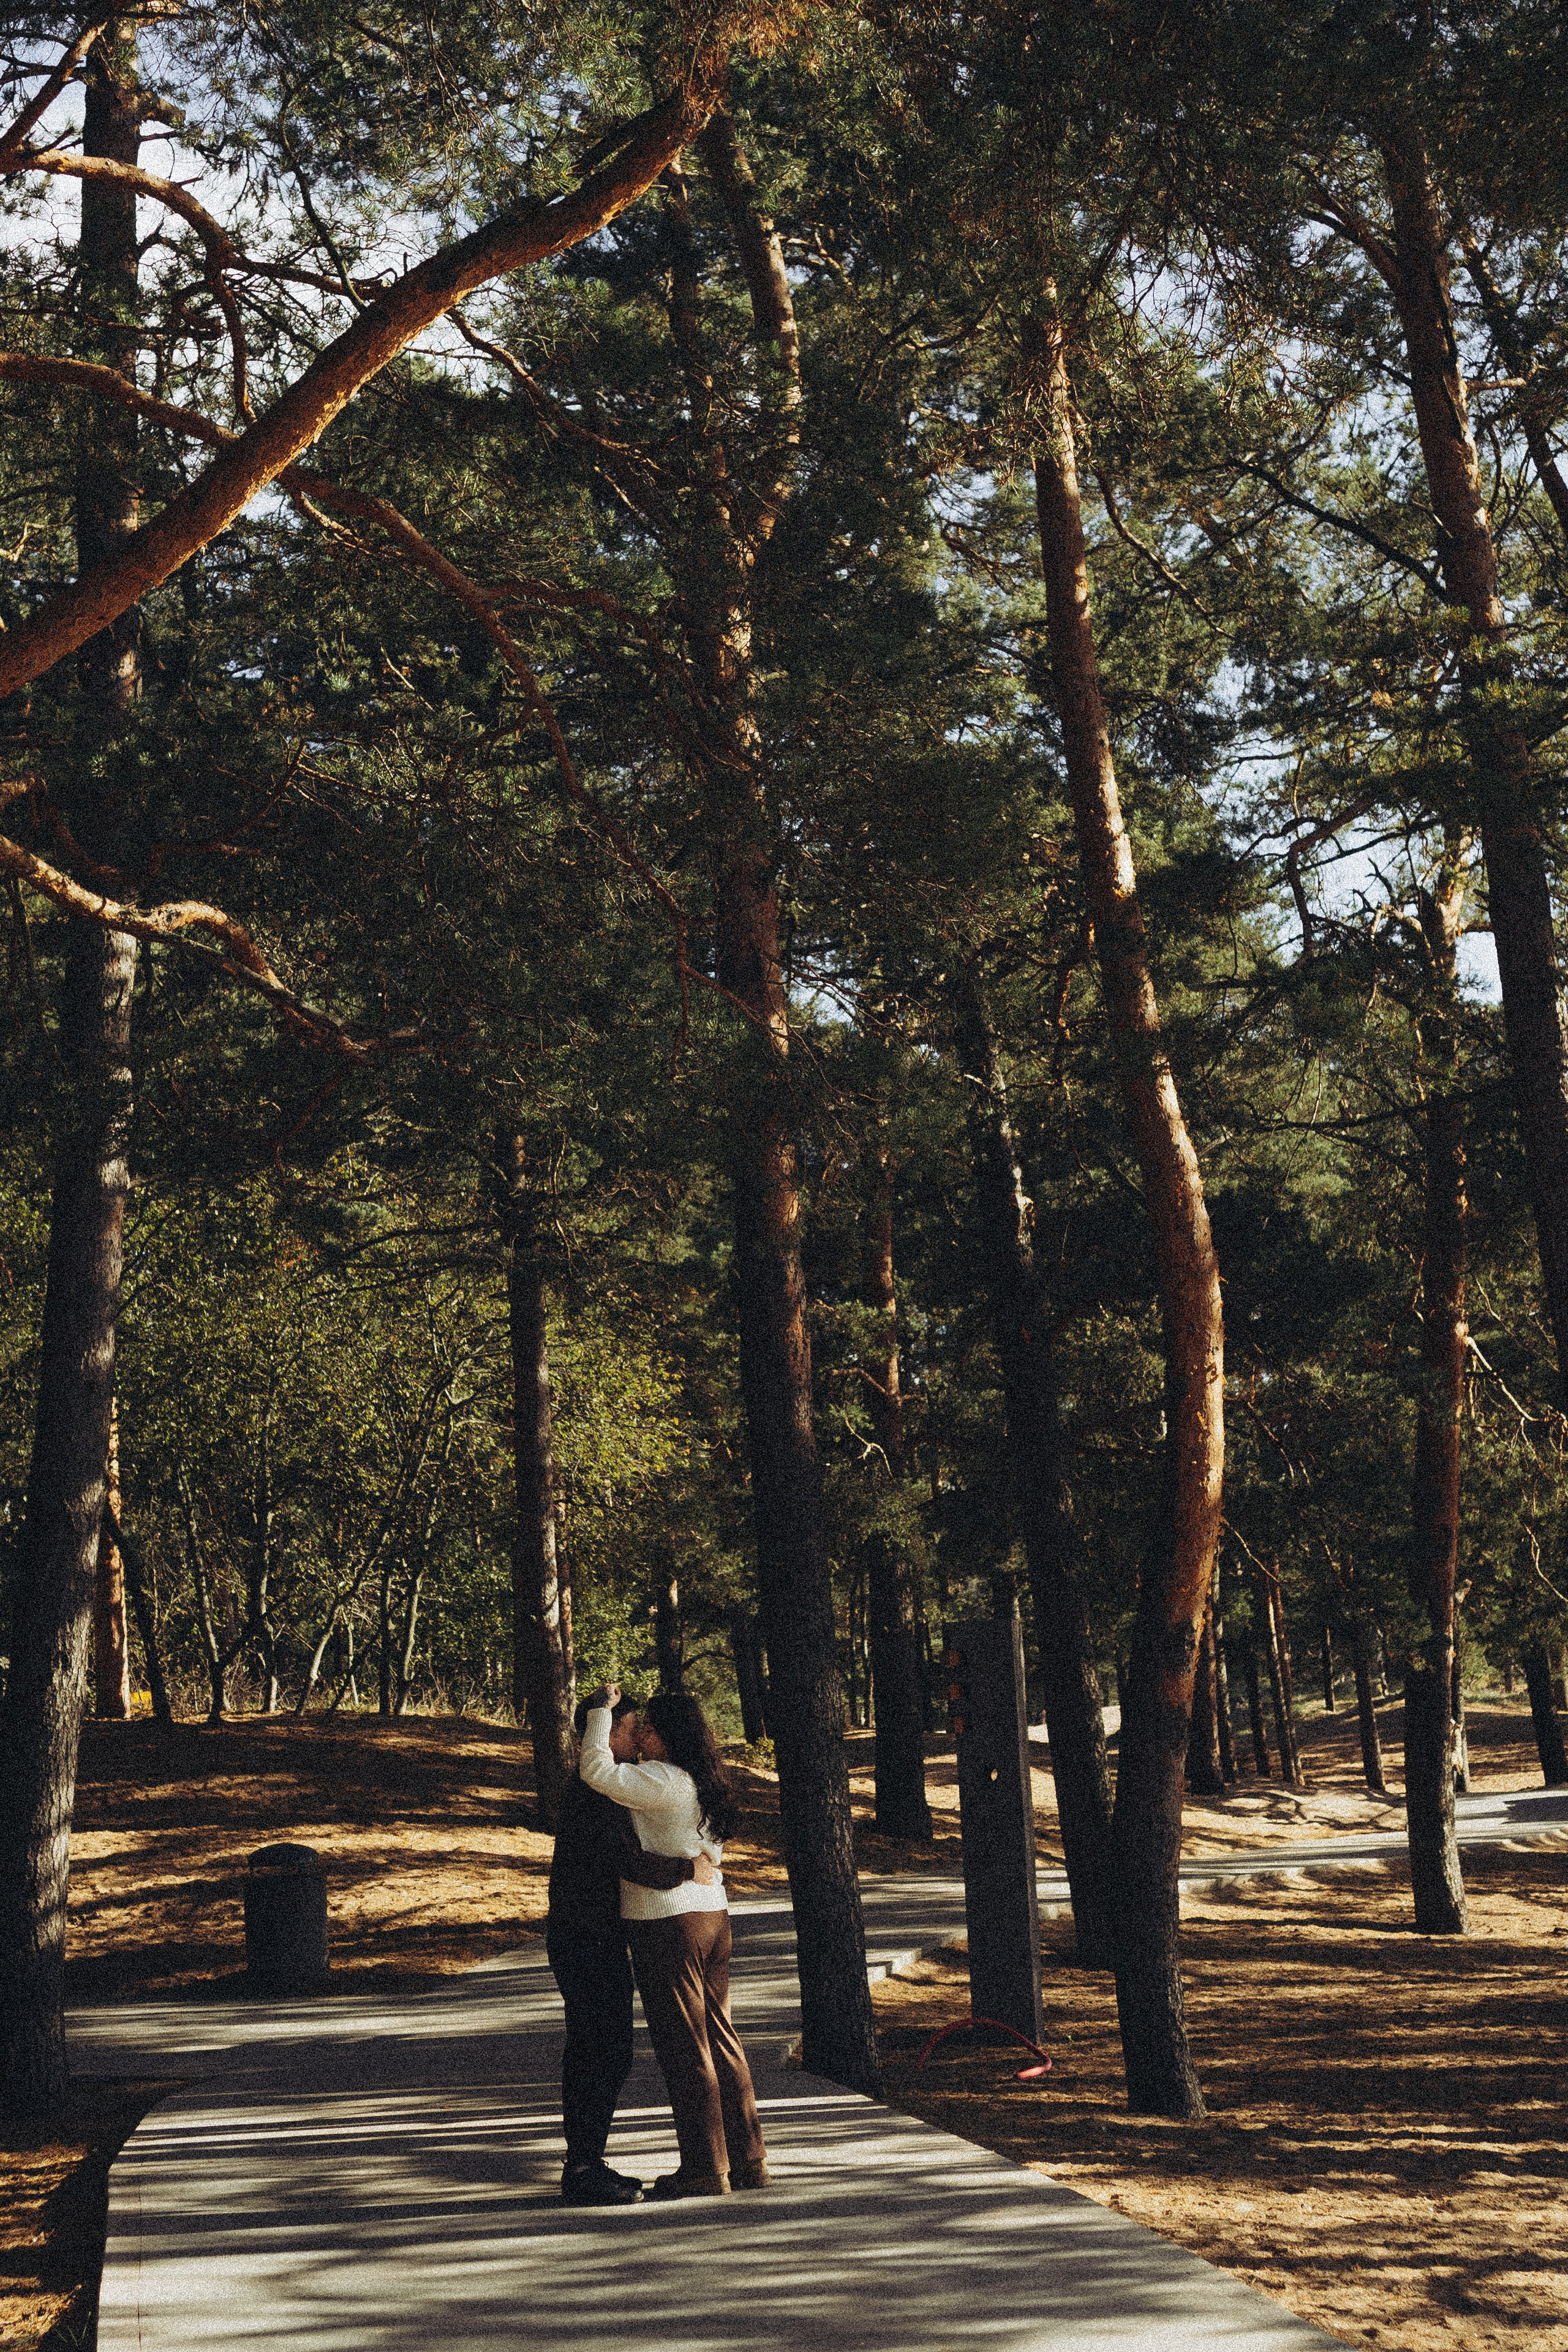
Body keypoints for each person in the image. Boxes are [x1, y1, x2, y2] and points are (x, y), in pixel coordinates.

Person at [579, 1681, 769, 2199]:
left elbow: (595, 1770)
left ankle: (704, 2167)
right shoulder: (702, 1780)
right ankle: (748, 2157)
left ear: (668, 1737)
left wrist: (600, 1713)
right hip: (714, 1918)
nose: (639, 1736)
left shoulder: (661, 1781)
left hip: (668, 1923)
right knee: (722, 2036)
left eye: (648, 1729)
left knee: (685, 2045)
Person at [545, 1691, 718, 2206]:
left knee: (605, 2047)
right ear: (607, 1733)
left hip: (593, 1934)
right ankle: (581, 2168)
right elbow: (629, 1859)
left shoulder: (609, 1788)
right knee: (599, 2048)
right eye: (629, 1728)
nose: (637, 1736)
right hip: (584, 1935)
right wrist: (690, 1868)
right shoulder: (594, 1788)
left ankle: (587, 2161)